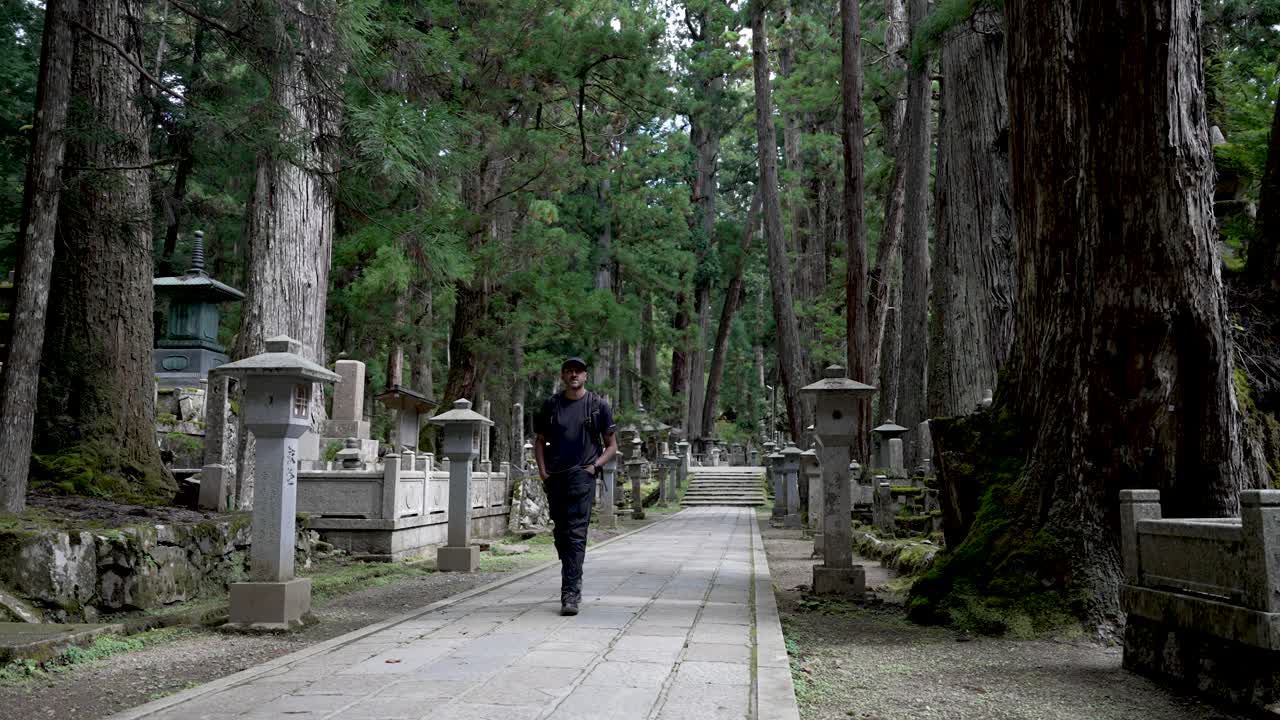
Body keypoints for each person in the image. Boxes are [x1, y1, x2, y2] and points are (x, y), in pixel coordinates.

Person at [533, 356, 618, 615]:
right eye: (569, 371)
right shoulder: (551, 405)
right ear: (562, 376)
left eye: (578, 371)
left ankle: (570, 592)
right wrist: (543, 472)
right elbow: (539, 441)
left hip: (583, 475)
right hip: (555, 476)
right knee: (561, 533)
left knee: (576, 533)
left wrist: (595, 466)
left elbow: (612, 445)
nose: (574, 375)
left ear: (585, 376)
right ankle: (572, 571)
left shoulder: (597, 406)